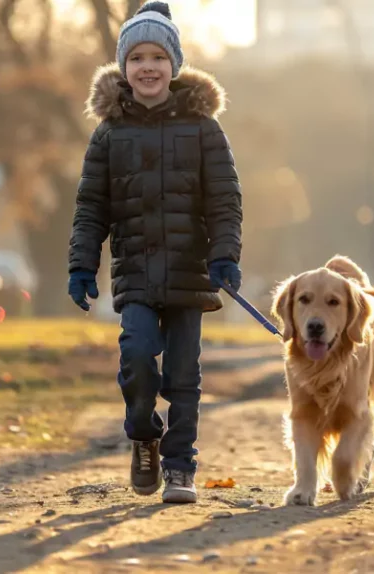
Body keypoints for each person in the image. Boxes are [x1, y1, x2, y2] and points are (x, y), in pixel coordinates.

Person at [66, 1, 243, 504]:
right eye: (137, 57)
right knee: (138, 358)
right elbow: (90, 206)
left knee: (184, 375)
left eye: (159, 57)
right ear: (123, 67)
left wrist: (225, 256)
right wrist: (82, 264)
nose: (148, 66)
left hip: (191, 272)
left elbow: (226, 200)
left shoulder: (205, 129)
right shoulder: (108, 135)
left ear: (175, 65)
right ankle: (144, 436)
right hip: (137, 272)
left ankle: (181, 465)